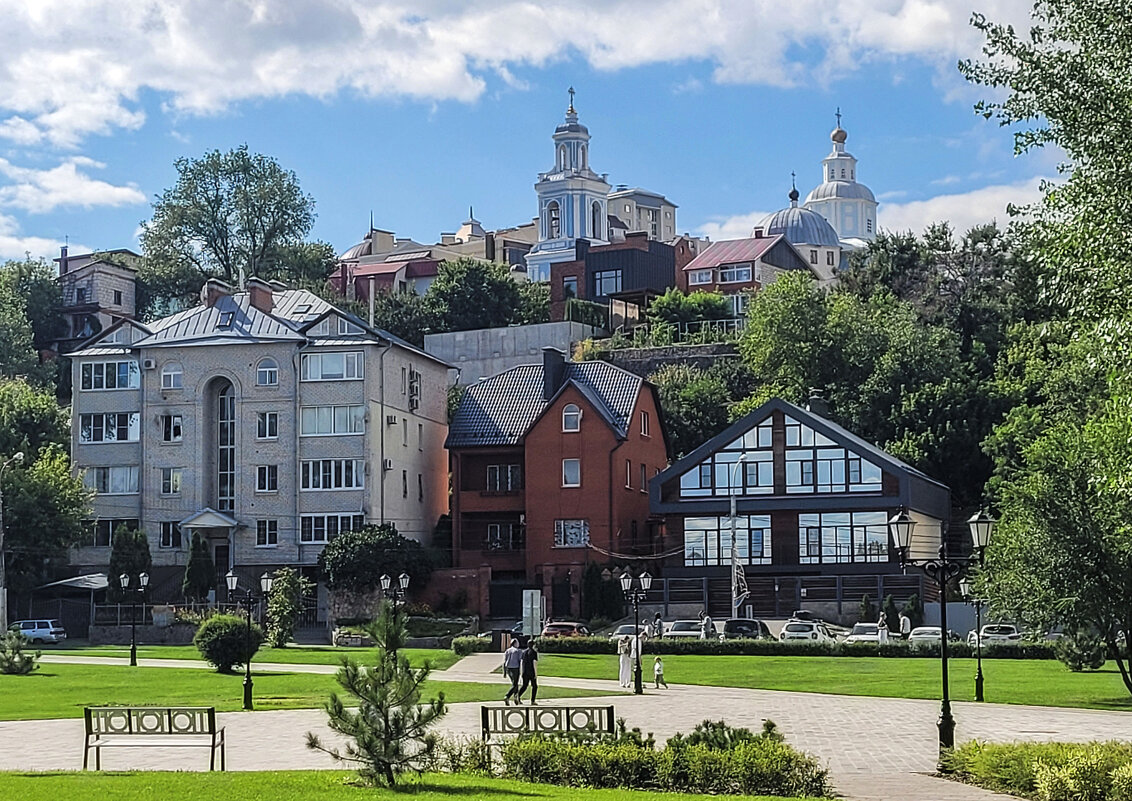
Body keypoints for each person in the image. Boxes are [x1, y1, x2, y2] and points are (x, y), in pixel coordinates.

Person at [516, 640, 539, 705]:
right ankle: (532, 700)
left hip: (525, 671)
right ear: (533, 645)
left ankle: (517, 696)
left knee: (524, 685)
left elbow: (522, 662)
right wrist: (536, 674)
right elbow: (534, 663)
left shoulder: (524, 652)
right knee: (534, 686)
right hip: (531, 672)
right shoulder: (534, 652)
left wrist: (521, 672)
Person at [502, 638, 523, 705]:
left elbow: (504, 661)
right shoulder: (518, 651)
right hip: (515, 668)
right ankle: (507, 696)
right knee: (515, 684)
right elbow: (520, 660)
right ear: (515, 643)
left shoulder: (508, 650)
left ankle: (516, 698)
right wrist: (521, 670)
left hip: (508, 668)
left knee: (514, 683)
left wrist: (504, 672)